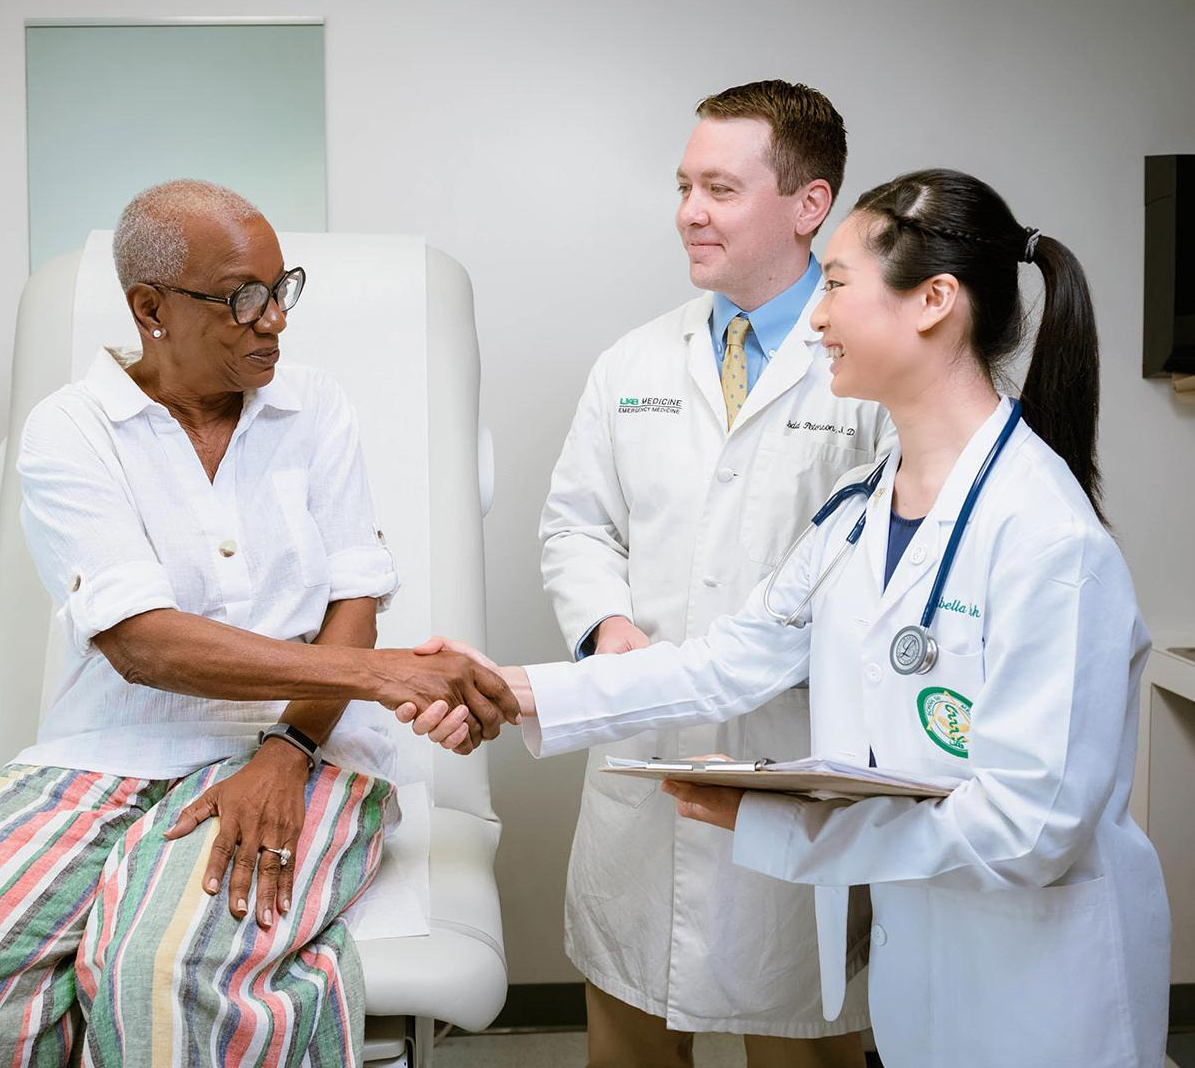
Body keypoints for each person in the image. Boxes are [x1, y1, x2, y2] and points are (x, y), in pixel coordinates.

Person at [414, 168, 1171, 1067]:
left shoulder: (1049, 541)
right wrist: (512, 690)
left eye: (839, 285)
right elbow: (725, 661)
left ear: (933, 301)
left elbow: (1033, 833)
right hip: (917, 964)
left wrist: (781, 821)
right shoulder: (860, 508)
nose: (816, 317)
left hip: (1041, 990)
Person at [0, 180, 515, 1067]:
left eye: (284, 290)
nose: (274, 320)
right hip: (102, 751)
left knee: (163, 977)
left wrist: (289, 750)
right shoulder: (72, 430)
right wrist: (385, 675)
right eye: (245, 297)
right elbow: (144, 643)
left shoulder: (314, 408)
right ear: (150, 307)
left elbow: (352, 600)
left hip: (299, 746)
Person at [537, 80, 888, 1065]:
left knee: (799, 1040)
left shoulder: (864, 362)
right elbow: (574, 526)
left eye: (720, 189)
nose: (689, 211)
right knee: (630, 1038)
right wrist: (604, 627)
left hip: (793, 757)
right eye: (684, 185)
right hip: (646, 758)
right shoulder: (632, 362)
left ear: (807, 205)